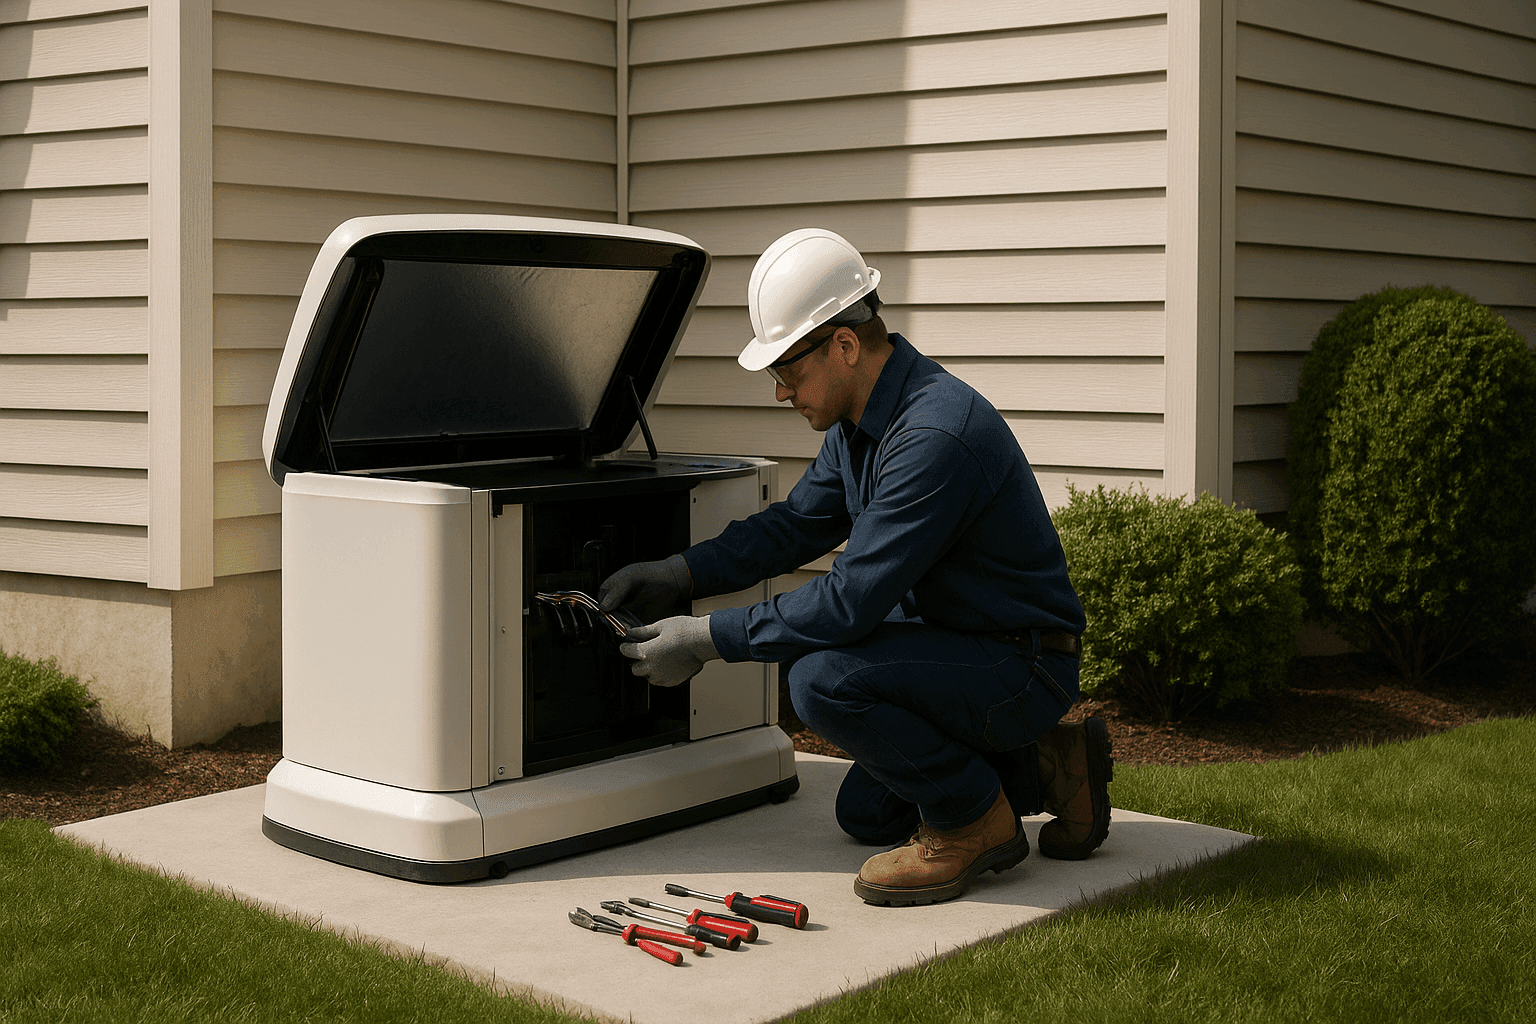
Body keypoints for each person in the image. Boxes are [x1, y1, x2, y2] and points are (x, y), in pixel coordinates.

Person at [601, 228, 1111, 906]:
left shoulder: (933, 435)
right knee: (864, 818)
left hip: (1019, 663)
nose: (781, 393)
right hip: (958, 648)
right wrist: (680, 572)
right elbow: (794, 526)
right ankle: (1047, 765)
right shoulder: (861, 425)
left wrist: (702, 640)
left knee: (821, 681)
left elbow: (847, 605)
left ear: (844, 345)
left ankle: (975, 826)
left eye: (788, 370)